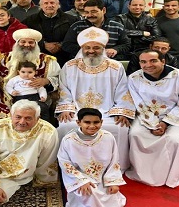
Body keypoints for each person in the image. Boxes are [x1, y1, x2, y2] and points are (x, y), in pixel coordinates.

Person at [56, 27, 135, 170]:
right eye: (87, 47)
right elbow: (64, 90)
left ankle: (115, 168)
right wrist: (66, 108)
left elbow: (123, 90)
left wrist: (122, 111)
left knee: (120, 128)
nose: (91, 51)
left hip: (107, 112)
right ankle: (69, 166)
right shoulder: (69, 66)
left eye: (96, 47)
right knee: (65, 125)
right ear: (82, 48)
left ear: (103, 48)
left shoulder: (115, 67)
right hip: (77, 112)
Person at [126, 49, 179, 188]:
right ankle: (142, 173)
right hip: (147, 116)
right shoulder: (134, 78)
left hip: (177, 117)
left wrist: (164, 123)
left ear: (163, 61)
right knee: (135, 134)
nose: (148, 65)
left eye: (153, 61)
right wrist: (153, 124)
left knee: (175, 140)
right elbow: (138, 102)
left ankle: (171, 175)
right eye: (143, 62)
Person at [0, 28, 60, 129]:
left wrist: (46, 81)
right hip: (4, 102)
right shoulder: (2, 58)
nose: (26, 45)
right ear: (17, 43)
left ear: (36, 44)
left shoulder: (47, 60)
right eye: (23, 42)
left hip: (36, 101)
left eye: (31, 42)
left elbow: (58, 79)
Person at [58, 108, 126, 207]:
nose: (92, 126)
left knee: (109, 194)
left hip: (103, 178)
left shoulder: (108, 137)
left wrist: (113, 182)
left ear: (101, 122)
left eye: (96, 122)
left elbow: (114, 161)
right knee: (90, 194)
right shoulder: (68, 140)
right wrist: (81, 181)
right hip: (80, 179)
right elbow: (65, 163)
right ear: (78, 122)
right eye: (87, 122)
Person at [62, 0, 131, 61]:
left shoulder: (117, 26)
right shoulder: (77, 26)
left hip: (109, 62)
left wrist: (116, 49)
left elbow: (126, 45)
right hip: (82, 62)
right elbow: (66, 45)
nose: (89, 15)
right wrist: (87, 50)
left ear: (103, 10)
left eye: (93, 12)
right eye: (86, 12)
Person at [23, 0, 78, 66]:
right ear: (41, 6)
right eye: (46, 3)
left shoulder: (72, 19)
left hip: (65, 58)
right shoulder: (30, 20)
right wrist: (43, 44)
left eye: (52, 3)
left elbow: (75, 38)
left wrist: (61, 45)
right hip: (39, 58)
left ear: (58, 5)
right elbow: (25, 37)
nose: (49, 5)